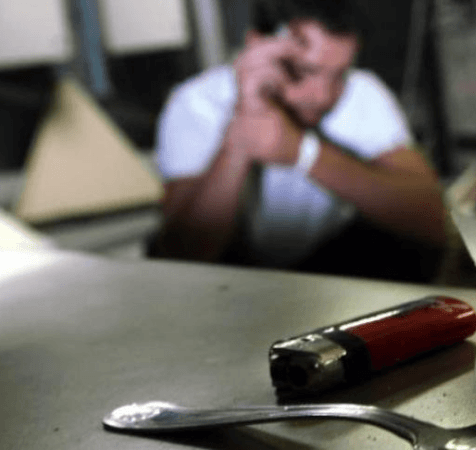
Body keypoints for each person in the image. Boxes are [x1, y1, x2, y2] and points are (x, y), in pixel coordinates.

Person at [150, 0, 447, 281]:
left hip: (326, 269)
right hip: (230, 282)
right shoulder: (197, 103)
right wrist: (238, 140)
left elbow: (433, 220)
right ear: (258, 46)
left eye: (339, 74)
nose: (323, 95)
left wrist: (304, 152)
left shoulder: (361, 92)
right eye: (306, 71)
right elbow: (182, 258)